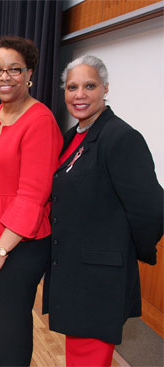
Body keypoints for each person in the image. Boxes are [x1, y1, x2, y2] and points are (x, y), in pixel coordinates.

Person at [45, 55, 163, 367]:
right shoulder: (72, 137)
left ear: (105, 88)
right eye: (72, 87)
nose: (79, 94)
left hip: (99, 280)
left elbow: (152, 207)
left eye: (89, 86)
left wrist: (124, 251)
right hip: (75, 273)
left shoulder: (121, 137)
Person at [0, 36, 63, 366]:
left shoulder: (40, 121)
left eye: (14, 69)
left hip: (18, 243)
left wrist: (2, 249)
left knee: (9, 330)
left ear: (30, 73)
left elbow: (33, 196)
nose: (4, 77)